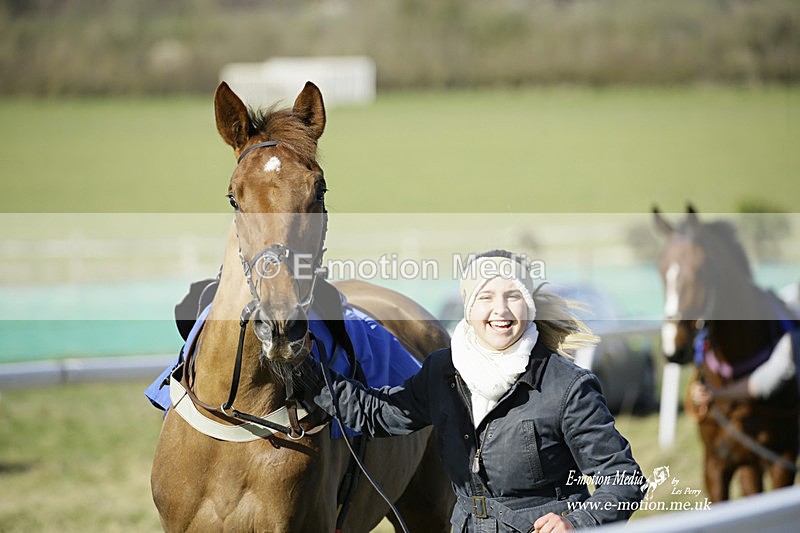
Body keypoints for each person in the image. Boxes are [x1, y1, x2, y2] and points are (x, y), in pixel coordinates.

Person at [295, 250, 644, 532]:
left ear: (529, 307)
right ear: (469, 308)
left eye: (513, 297)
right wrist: (305, 371)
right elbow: (378, 413)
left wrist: (575, 522)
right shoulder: (442, 373)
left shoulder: (568, 387)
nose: (501, 310)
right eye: (486, 297)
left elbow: (624, 479)